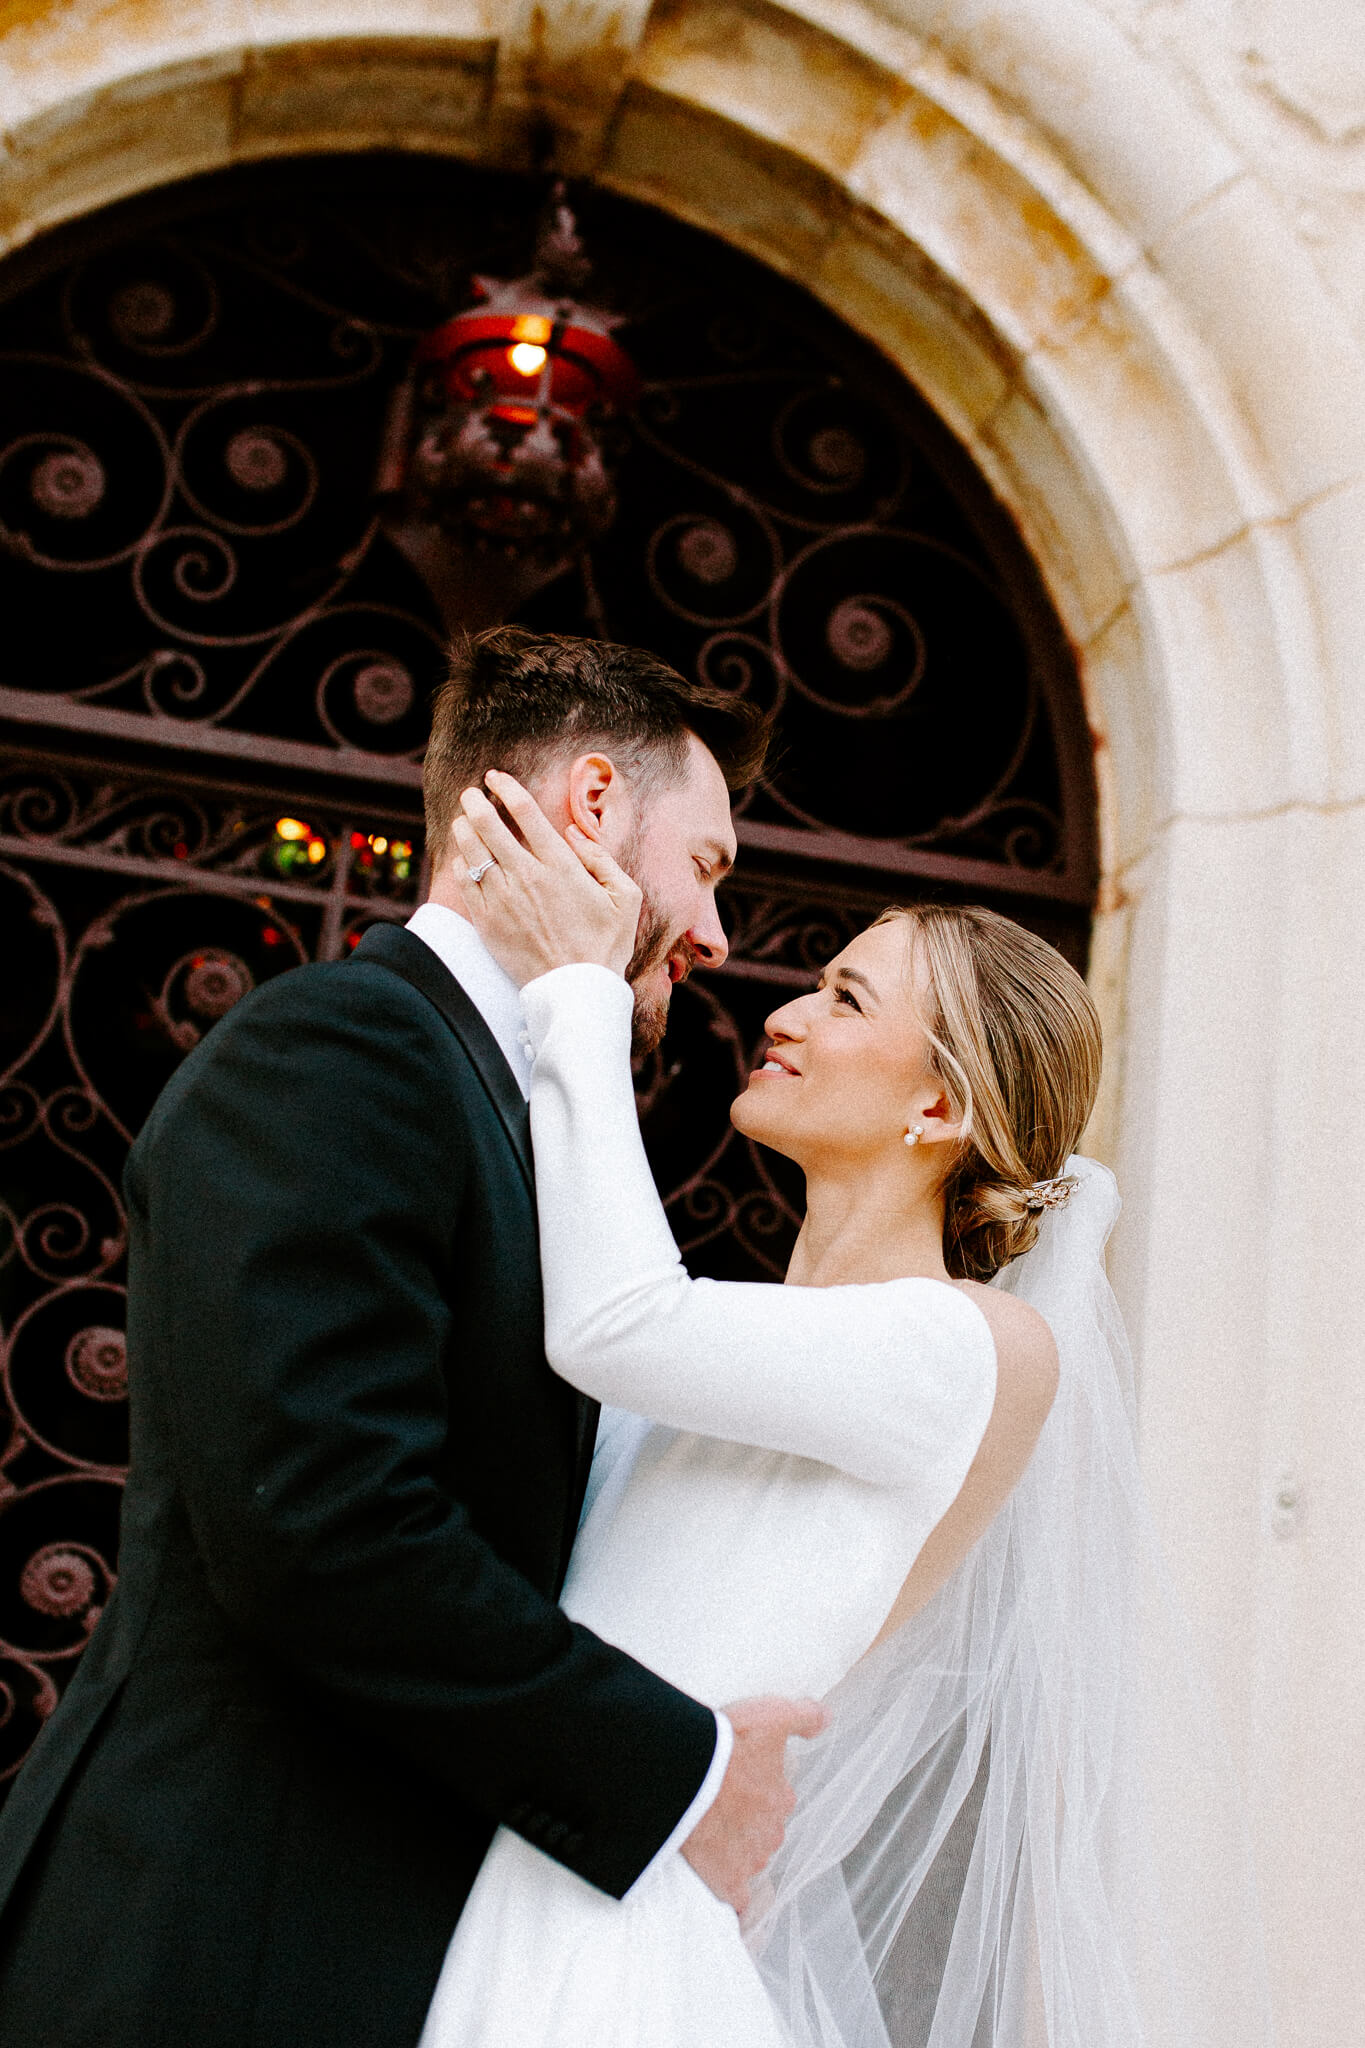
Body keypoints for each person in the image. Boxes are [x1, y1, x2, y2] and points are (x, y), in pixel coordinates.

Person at [0, 628, 841, 2047]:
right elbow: (325, 1525)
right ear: (591, 805)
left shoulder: (505, 1101)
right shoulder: (345, 1048)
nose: (714, 937)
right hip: (212, 1938)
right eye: (706, 866)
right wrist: (684, 1776)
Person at [413, 773, 1273, 2048]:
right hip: (533, 1879)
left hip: (616, 1953)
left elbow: (610, 1322)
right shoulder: (745, 1339)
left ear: (939, 1108)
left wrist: (579, 988)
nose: (789, 1011)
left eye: (847, 998)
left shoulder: (965, 1346)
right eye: (818, 980)